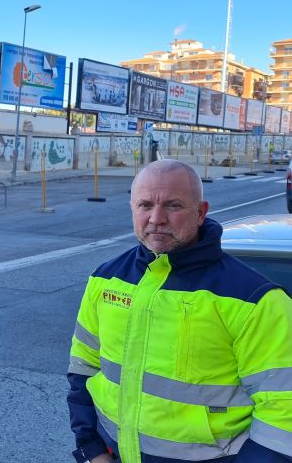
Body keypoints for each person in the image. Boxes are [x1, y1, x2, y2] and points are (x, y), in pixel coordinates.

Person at [67, 160, 292, 463]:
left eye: (173, 205)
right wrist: (90, 449)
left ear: (201, 212)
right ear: (132, 208)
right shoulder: (105, 279)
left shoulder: (255, 300)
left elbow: (282, 410)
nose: (156, 218)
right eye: (145, 204)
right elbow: (83, 370)